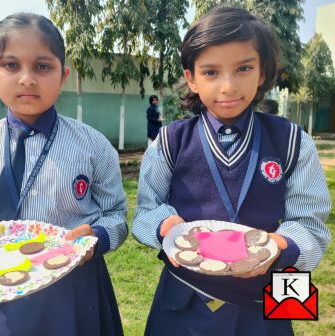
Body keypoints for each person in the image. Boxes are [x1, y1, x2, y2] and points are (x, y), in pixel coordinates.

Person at [132, 6, 331, 336]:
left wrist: (281, 248)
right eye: (211, 72)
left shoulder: (293, 142)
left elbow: (310, 225)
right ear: (191, 78)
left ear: (263, 72)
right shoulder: (169, 141)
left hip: (266, 299)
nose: (227, 86)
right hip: (185, 296)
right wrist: (163, 225)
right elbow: (146, 210)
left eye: (243, 68)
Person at [0, 13, 127, 336]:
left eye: (42, 66)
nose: (27, 79)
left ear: (63, 75)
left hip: (71, 289)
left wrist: (97, 238)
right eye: (11, 65)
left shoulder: (93, 146)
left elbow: (116, 215)